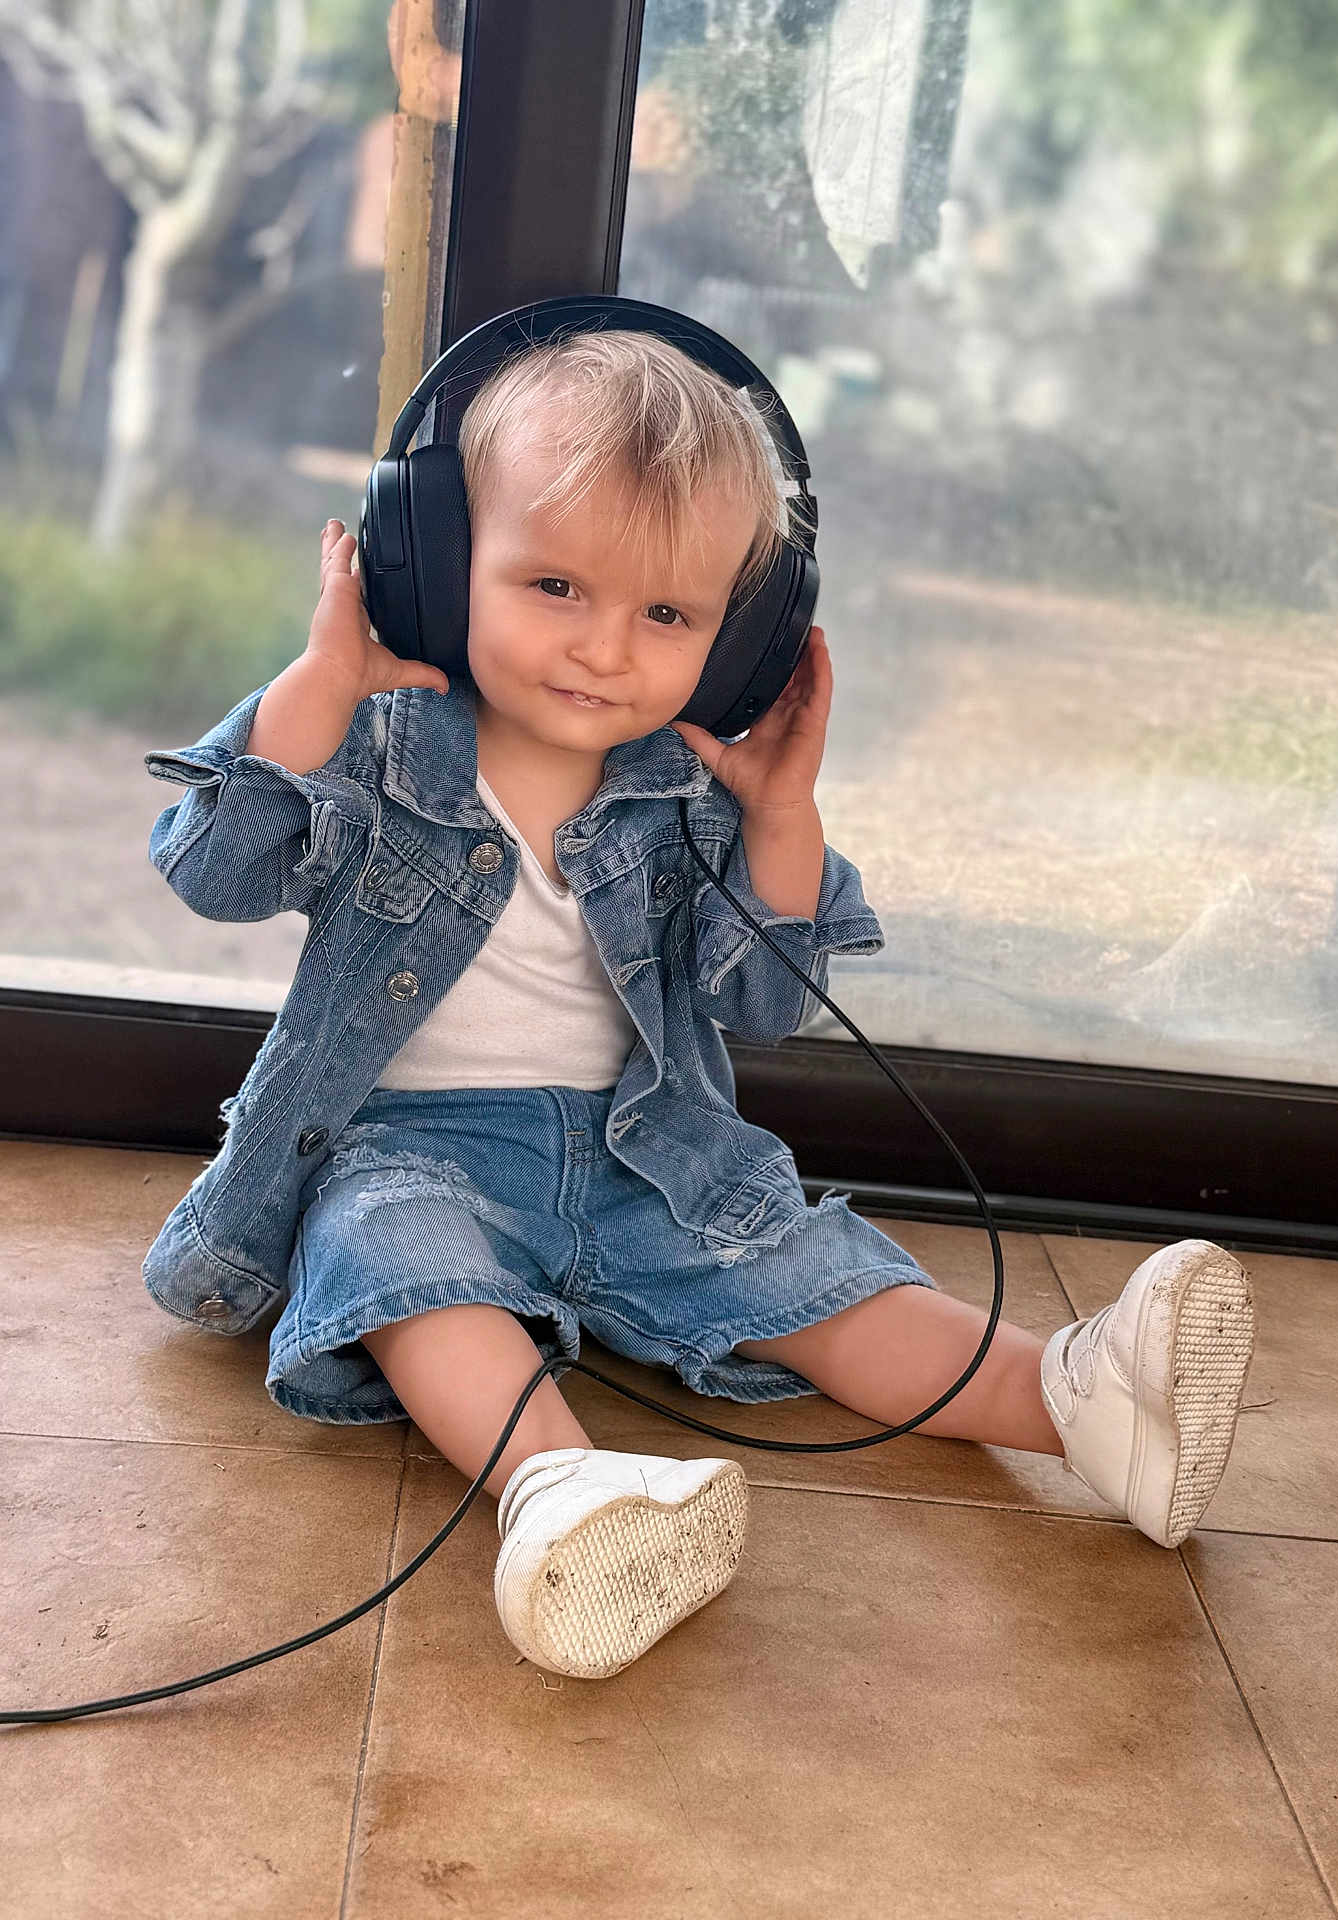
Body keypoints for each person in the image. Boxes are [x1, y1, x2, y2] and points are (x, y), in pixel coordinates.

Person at [142, 329, 1257, 1684]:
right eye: (554, 584)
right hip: (408, 1144)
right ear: (431, 561)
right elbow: (213, 869)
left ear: (741, 642)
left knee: (799, 1267)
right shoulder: (380, 740)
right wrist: (313, 692)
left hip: (641, 1153)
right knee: (394, 1260)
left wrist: (781, 814)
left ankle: (1084, 1401)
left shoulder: (685, 791)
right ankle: (561, 1494)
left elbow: (767, 1006)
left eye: (667, 617)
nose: (606, 650)